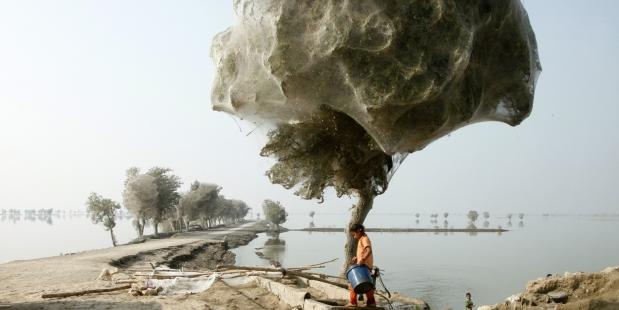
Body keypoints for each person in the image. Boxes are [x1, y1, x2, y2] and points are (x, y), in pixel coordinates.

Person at [346, 223, 376, 307]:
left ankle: (352, 302)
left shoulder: (364, 239)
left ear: (359, 231)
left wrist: (362, 259)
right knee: (367, 283)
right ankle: (371, 302)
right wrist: (357, 258)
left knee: (353, 283)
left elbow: (368, 250)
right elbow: (363, 252)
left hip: (364, 266)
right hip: (365, 266)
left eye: (354, 234)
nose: (354, 237)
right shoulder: (361, 239)